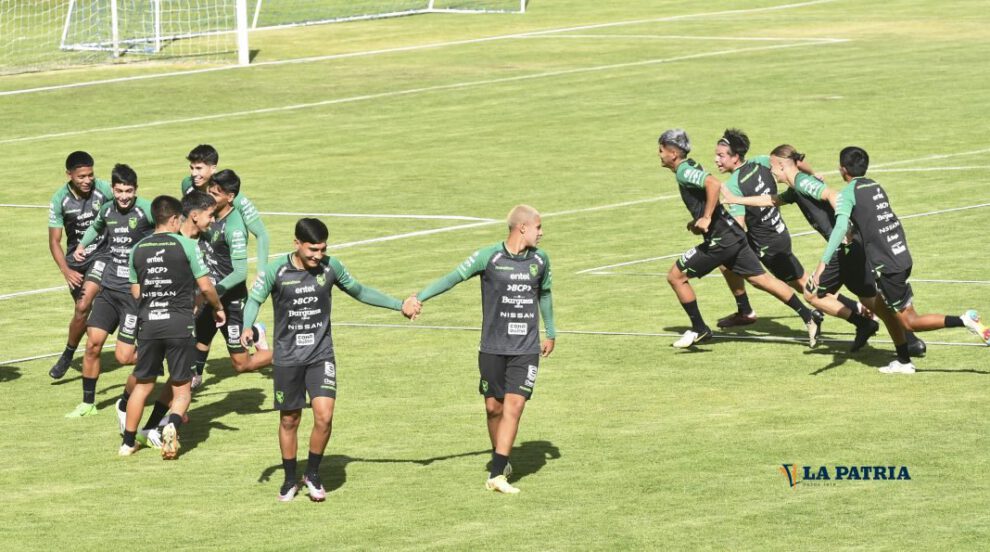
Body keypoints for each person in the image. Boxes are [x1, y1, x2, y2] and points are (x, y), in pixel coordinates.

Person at [240, 218, 416, 502]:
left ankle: (312, 473)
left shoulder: (331, 267)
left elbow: (360, 291)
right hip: (288, 358)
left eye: (322, 249)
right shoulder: (276, 270)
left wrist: (399, 306)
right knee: (289, 420)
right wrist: (247, 326)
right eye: (312, 250)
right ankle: (289, 479)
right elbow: (253, 300)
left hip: (321, 355)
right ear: (296, 243)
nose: (318, 256)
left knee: (324, 416)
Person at [720, 144, 927, 356]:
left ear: (782, 165)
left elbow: (832, 194)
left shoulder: (803, 183)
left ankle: (873, 327)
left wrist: (843, 226)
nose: (770, 171)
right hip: (851, 247)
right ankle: (907, 340)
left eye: (772, 166)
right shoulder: (795, 188)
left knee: (812, 293)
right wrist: (736, 200)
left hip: (843, 247)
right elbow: (771, 200)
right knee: (869, 299)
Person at [412, 205, 556, 494]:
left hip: (525, 347)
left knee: (514, 406)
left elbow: (545, 293)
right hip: (492, 346)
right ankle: (500, 458)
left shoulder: (540, 260)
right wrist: (419, 297)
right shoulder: (488, 256)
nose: (541, 233)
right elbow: (453, 277)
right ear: (522, 228)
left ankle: (496, 474)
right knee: (494, 408)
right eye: (538, 227)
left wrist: (550, 331)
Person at [809, 146, 990, 374]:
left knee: (909, 322)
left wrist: (824, 262)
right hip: (900, 254)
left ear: (842, 169)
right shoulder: (874, 185)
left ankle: (965, 320)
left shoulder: (848, 194)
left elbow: (841, 227)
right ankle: (903, 361)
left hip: (888, 265)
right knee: (884, 308)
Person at [657, 130, 818, 348]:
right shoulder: (690, 165)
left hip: (721, 240)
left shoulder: (683, 171)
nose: (659, 154)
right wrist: (698, 220)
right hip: (733, 234)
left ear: (673, 153)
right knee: (761, 280)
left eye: (661, 150)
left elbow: (712, 184)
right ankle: (809, 316)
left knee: (676, 277)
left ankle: (700, 328)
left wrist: (705, 218)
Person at [120, 195, 225, 458]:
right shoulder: (187, 246)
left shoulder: (138, 249)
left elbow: (135, 292)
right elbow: (205, 286)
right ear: (176, 219)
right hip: (179, 324)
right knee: (182, 389)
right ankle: (172, 426)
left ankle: (128, 442)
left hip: (149, 326)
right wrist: (218, 307)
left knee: (142, 386)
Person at [712, 129, 823, 341]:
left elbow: (738, 225)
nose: (716, 159)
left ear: (735, 157)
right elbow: (794, 160)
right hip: (778, 233)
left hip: (767, 243)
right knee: (726, 263)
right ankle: (745, 311)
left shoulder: (734, 184)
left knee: (800, 285)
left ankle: (854, 311)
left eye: (721, 155)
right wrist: (812, 174)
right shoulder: (761, 162)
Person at [66, 164, 154, 419]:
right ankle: (88, 403)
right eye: (119, 191)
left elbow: (172, 228)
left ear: (136, 190)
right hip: (109, 289)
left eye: (128, 191)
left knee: (125, 356)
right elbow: (95, 227)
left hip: (133, 295)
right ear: (112, 189)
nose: (123, 196)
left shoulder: (146, 209)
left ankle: (157, 357)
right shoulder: (107, 209)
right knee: (92, 344)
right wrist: (81, 246)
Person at [192, 169, 271, 388]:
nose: (210, 197)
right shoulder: (210, 214)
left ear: (230, 197)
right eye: (210, 191)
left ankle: (285, 355)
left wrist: (213, 290)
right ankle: (195, 376)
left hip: (231, 299)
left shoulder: (234, 228)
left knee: (241, 364)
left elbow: (239, 273)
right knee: (200, 337)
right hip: (211, 292)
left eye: (216, 194)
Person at [47, 151, 112, 380]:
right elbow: (54, 242)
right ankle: (69, 353)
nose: (87, 181)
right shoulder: (59, 200)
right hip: (76, 261)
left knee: (86, 301)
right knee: (82, 311)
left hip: (103, 254)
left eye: (90, 175)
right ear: (69, 175)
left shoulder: (104, 189)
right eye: (81, 176)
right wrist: (66, 270)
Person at [181, 144, 270, 273]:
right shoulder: (187, 185)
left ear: (213, 169)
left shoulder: (235, 197)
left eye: (199, 168)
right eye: (192, 168)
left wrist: (262, 273)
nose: (194, 173)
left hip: (224, 257)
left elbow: (261, 234)